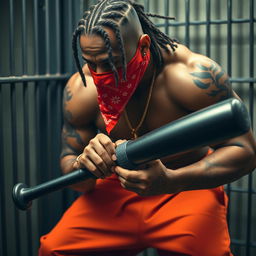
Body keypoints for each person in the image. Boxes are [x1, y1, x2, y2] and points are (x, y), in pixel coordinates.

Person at [39, 0, 256, 255]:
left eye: (110, 63)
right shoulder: (82, 90)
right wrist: (85, 166)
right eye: (90, 62)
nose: (99, 75)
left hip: (185, 186)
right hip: (116, 187)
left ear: (142, 45)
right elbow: (73, 171)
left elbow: (246, 152)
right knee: (53, 249)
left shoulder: (192, 76)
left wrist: (171, 181)